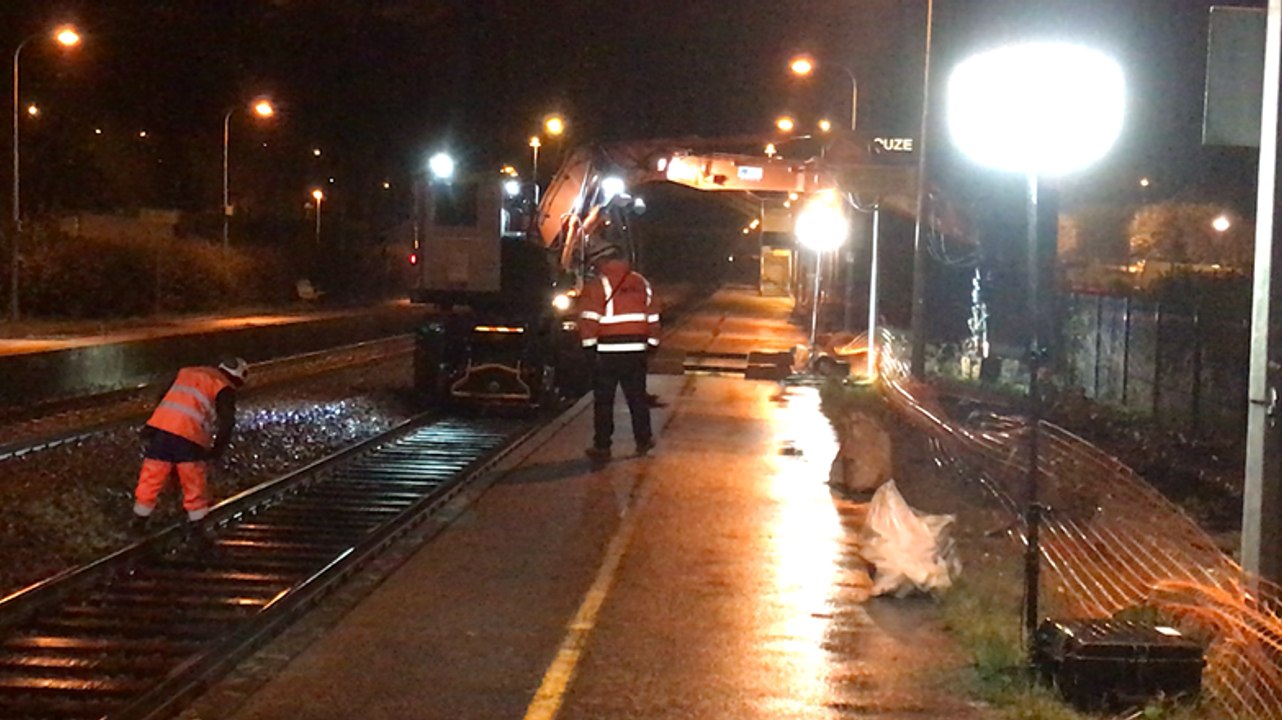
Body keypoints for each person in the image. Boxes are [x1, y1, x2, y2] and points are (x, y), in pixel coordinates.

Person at [130, 357, 248, 533]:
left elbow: (165, 397)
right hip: (189, 436)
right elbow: (227, 422)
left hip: (161, 430)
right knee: (192, 479)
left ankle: (139, 520)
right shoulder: (223, 385)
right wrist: (218, 449)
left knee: (152, 475)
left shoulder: (188, 372)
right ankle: (197, 525)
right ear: (238, 377)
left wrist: (151, 425)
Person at [578, 241, 660, 462]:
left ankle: (602, 447)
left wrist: (589, 351)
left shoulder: (597, 285)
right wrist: (652, 344)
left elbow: (588, 322)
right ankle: (644, 440)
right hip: (636, 351)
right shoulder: (641, 282)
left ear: (600, 261)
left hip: (607, 352)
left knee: (604, 401)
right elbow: (653, 316)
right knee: (637, 397)